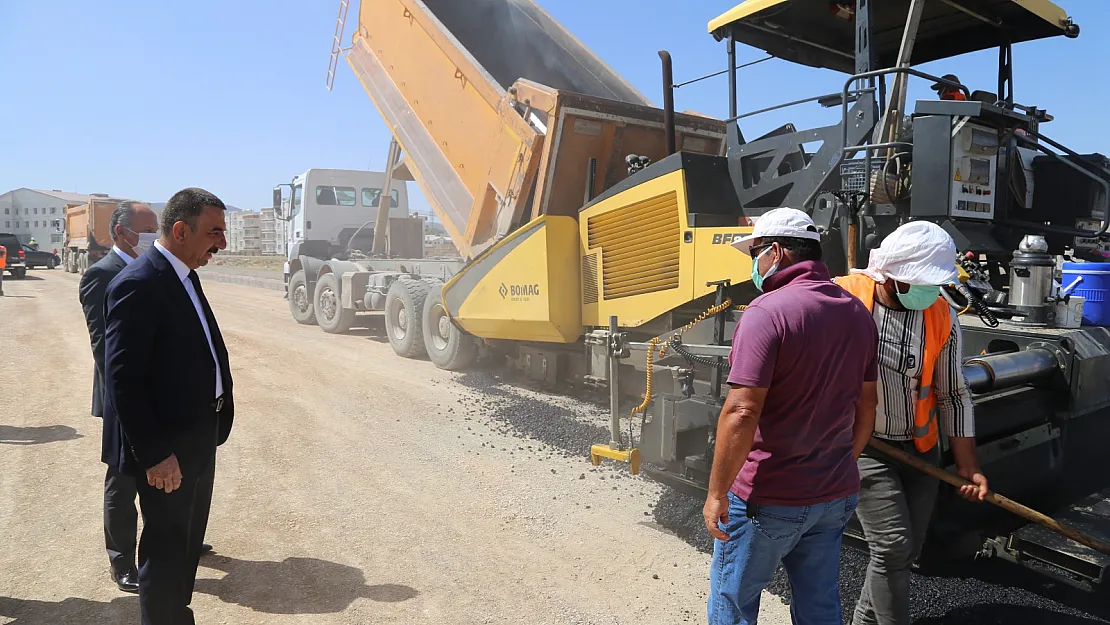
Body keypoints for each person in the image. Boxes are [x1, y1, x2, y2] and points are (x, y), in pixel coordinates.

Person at [704, 207, 880, 625]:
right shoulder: (857, 313)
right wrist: (842, 463)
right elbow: (867, 405)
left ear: (777, 253)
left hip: (769, 496)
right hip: (833, 494)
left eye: (756, 252)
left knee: (734, 601)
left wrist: (716, 493)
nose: (754, 263)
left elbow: (743, 410)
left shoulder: (767, 312)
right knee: (819, 605)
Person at [834, 221, 987, 625]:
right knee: (892, 547)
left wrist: (968, 466)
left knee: (906, 551)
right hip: (865, 446)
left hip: (921, 450)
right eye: (917, 283)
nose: (927, 292)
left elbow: (954, 393)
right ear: (889, 274)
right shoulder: (842, 299)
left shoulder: (941, 314)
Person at [103, 187, 233, 625]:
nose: (223, 243)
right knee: (164, 547)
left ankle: (176, 615)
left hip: (198, 439)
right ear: (181, 231)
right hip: (169, 453)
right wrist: (157, 454)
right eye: (215, 232)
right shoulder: (139, 284)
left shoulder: (184, 276)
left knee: (185, 543)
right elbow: (123, 380)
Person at [79, 200, 212, 593]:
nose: (156, 234)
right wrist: (126, 407)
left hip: (164, 404)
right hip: (127, 405)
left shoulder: (165, 270)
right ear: (120, 232)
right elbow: (106, 350)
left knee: (171, 482)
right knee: (123, 483)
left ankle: (178, 539)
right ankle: (122, 560)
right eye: (147, 228)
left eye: (157, 227)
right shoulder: (102, 275)